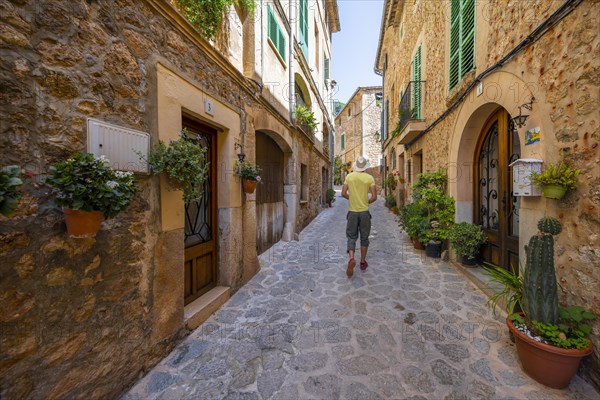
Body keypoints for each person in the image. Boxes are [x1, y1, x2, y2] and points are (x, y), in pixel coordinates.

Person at [341, 156, 377, 277]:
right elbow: (374, 197)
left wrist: (352, 199)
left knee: (351, 236)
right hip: (364, 212)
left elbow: (343, 193)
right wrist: (365, 202)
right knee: (364, 237)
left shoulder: (349, 177)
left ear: (356, 166)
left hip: (352, 212)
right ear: (365, 166)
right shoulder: (369, 178)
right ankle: (362, 261)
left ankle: (351, 258)